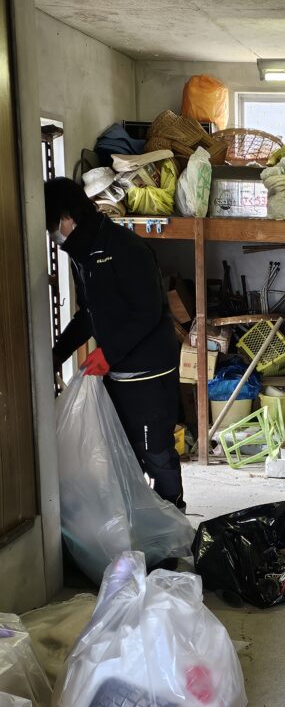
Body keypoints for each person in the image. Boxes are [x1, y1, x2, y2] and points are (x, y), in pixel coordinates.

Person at [46, 177, 185, 510]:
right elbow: (89, 314)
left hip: (149, 371)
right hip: (118, 373)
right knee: (123, 452)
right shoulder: (81, 254)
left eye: (52, 226)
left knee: (156, 452)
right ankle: (140, 520)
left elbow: (147, 312)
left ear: (67, 217)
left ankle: (174, 520)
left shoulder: (124, 248)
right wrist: (56, 354)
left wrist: (108, 353)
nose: (52, 235)